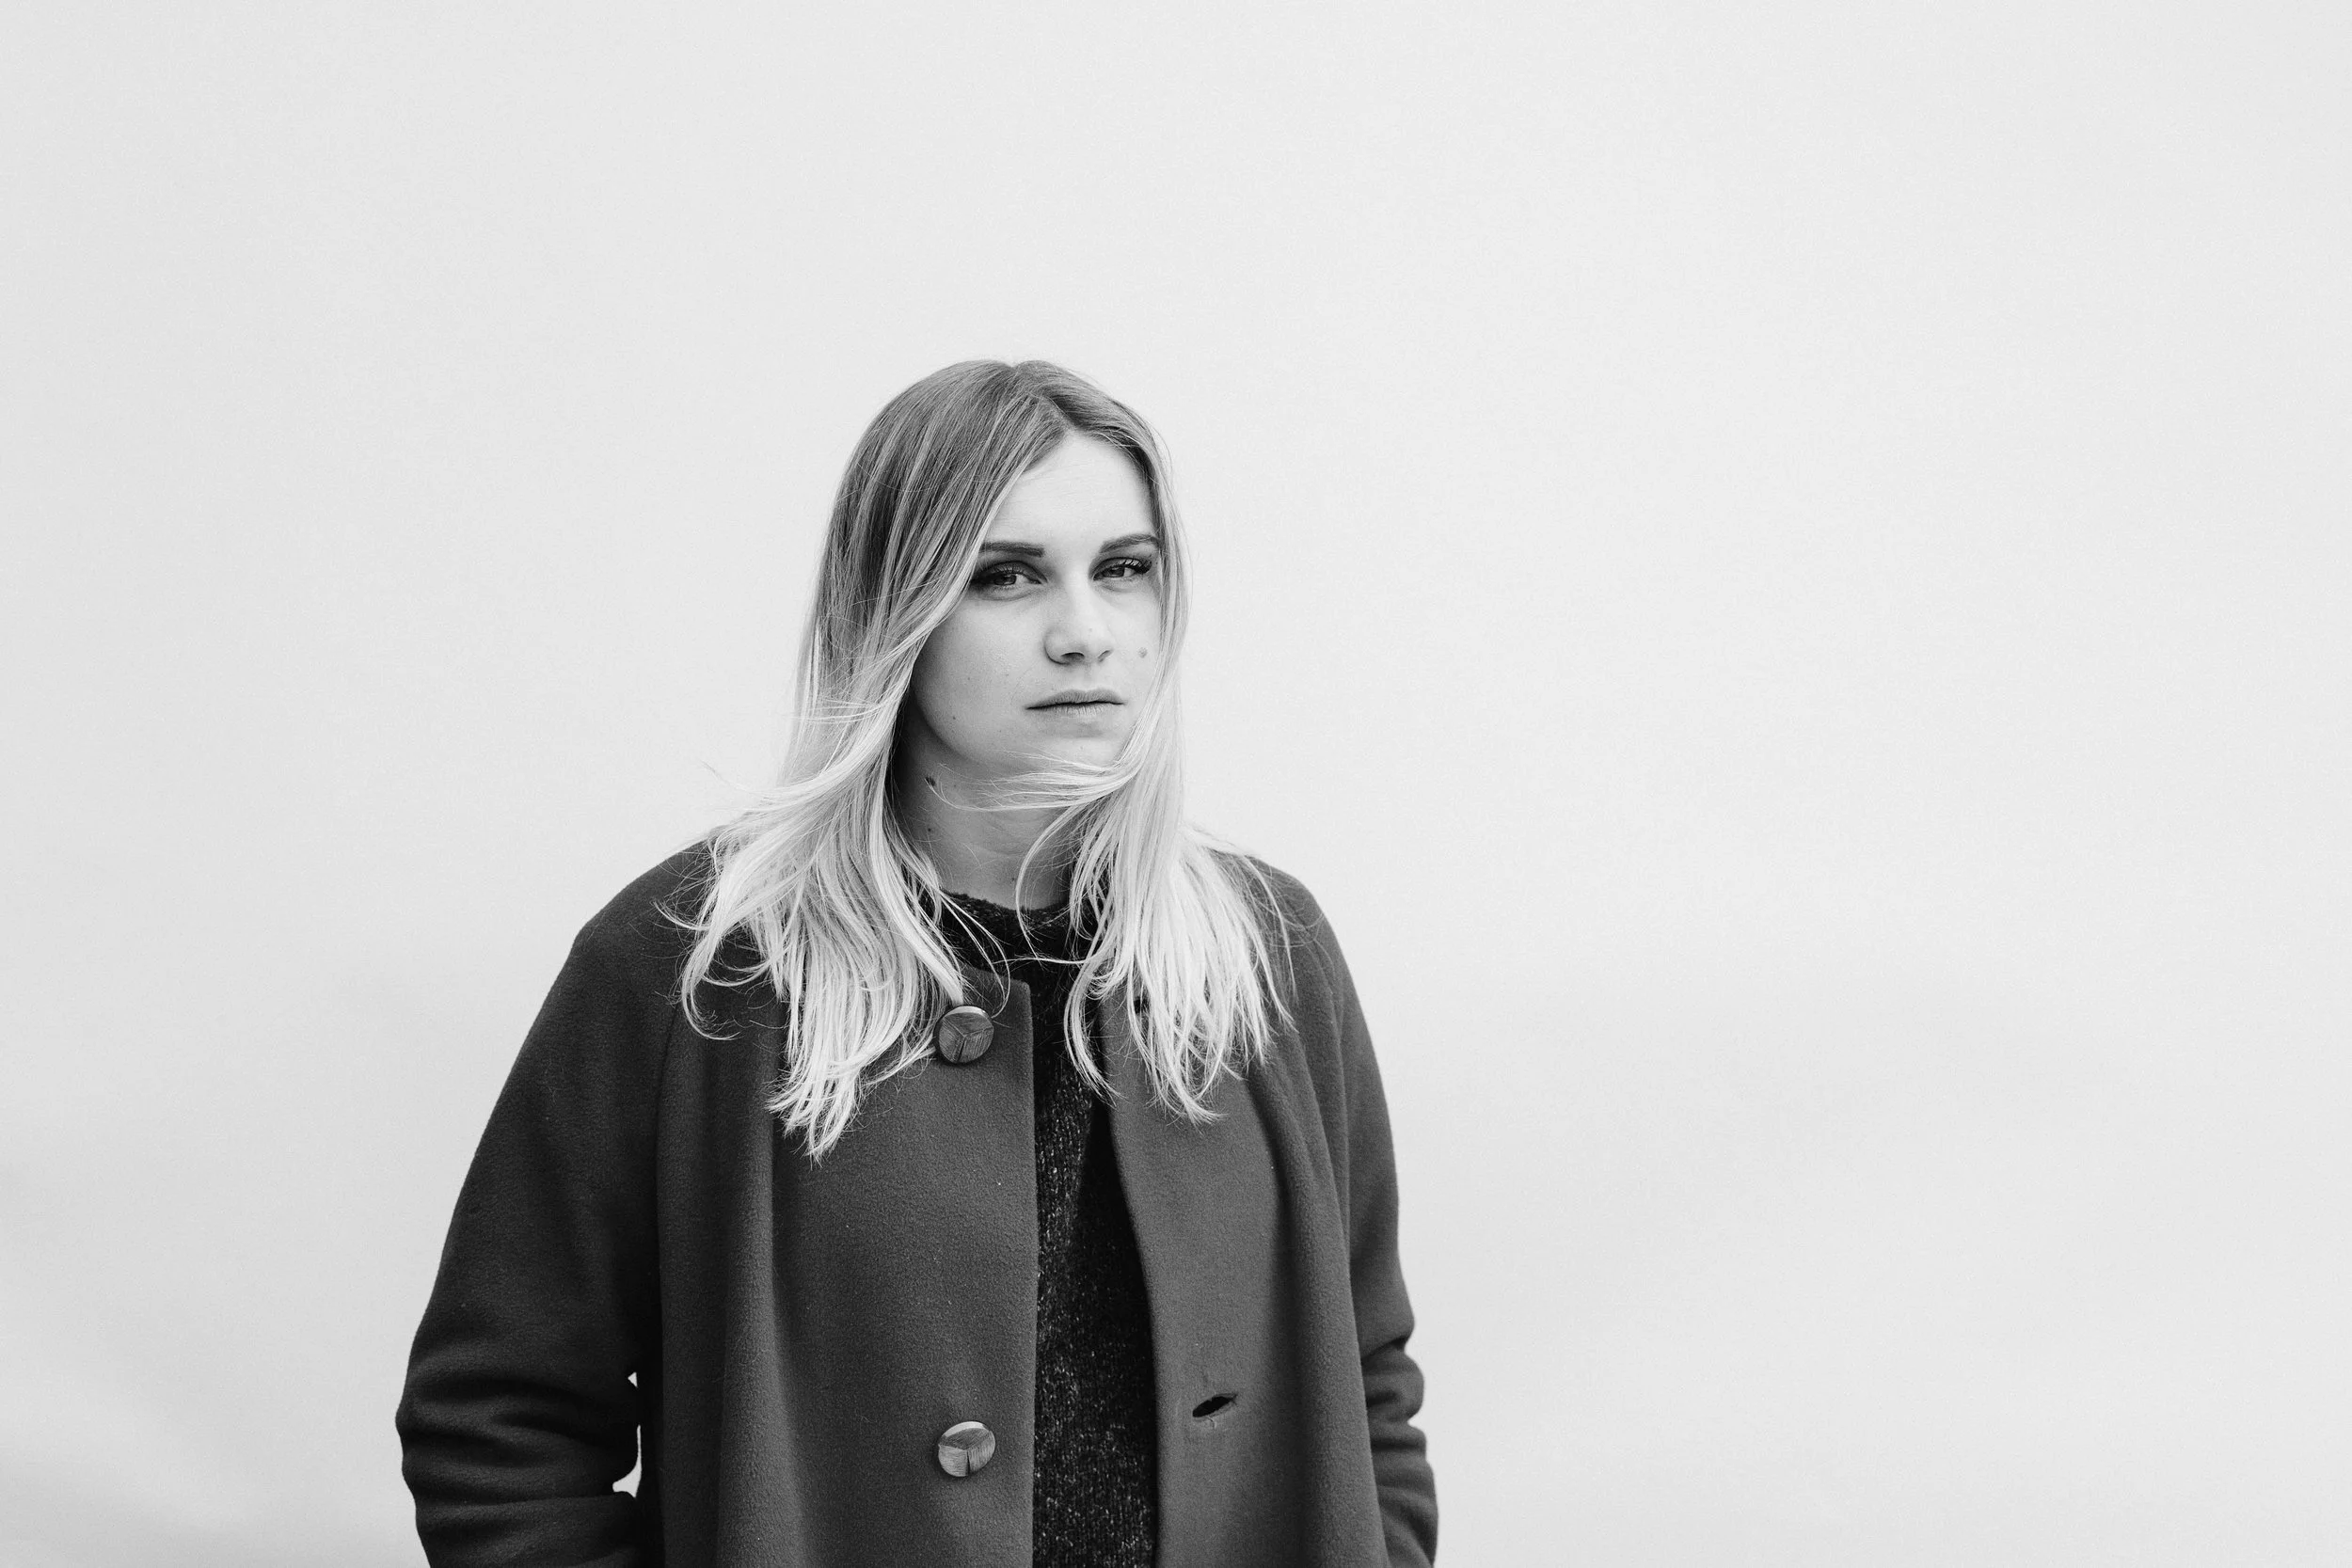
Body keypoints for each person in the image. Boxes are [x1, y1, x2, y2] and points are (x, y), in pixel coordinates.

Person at [396, 360, 1438, 1567]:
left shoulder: (1266, 955)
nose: (1083, 630)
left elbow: (1368, 1381)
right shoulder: (699, 969)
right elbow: (499, 1420)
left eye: (1124, 567)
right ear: (897, 606)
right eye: (1005, 575)